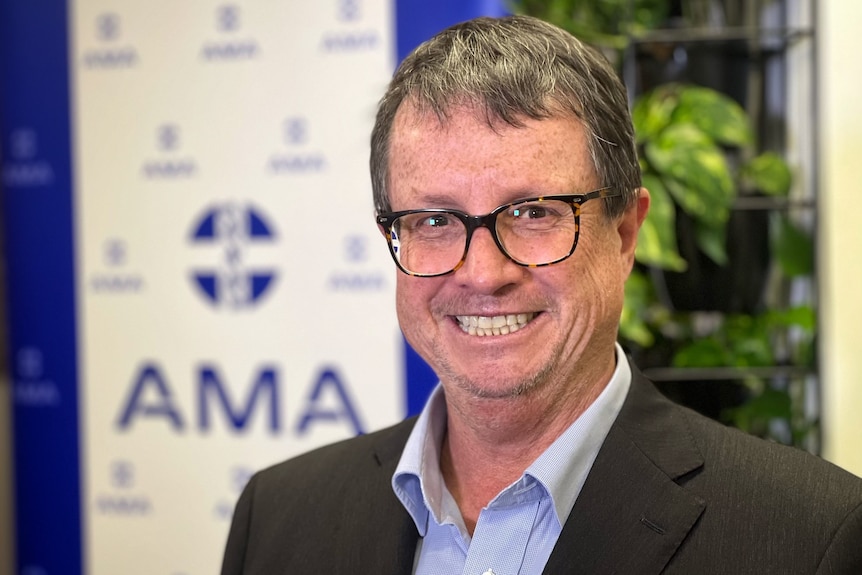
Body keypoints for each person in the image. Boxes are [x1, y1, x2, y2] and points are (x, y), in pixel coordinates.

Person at [221, 15, 862, 574]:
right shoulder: (277, 518)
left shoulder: (810, 538)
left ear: (624, 234)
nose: (481, 272)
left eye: (532, 213)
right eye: (435, 222)